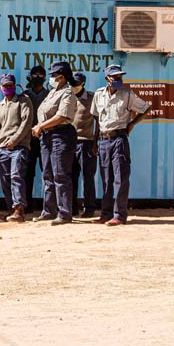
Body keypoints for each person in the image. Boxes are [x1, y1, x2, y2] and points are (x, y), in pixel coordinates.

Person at [90, 65, 150, 226]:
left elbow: (145, 108)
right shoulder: (98, 95)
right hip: (103, 140)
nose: (118, 80)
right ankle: (106, 214)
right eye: (114, 77)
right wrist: (95, 142)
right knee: (106, 180)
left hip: (119, 140)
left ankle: (119, 215)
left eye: (120, 77)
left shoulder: (127, 94)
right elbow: (97, 119)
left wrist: (132, 124)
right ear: (107, 79)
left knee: (121, 179)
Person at [31, 61, 77, 225]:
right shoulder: (52, 93)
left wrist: (40, 126)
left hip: (61, 134)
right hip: (47, 136)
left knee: (61, 175)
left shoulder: (67, 94)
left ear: (62, 76)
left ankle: (64, 213)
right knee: (48, 174)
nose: (51, 78)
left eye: (54, 75)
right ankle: (48, 210)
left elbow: (61, 116)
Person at [0, 73, 33, 222]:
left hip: (19, 147)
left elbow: (26, 123)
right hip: (2, 148)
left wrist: (14, 140)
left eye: (10, 85)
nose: (7, 88)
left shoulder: (24, 101)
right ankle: (11, 210)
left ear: (15, 86)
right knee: (5, 180)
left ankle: (19, 210)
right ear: (1, 87)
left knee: (16, 176)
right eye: (5, 86)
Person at [69, 72, 98, 218]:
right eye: (72, 83)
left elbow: (98, 120)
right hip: (68, 143)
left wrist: (96, 141)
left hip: (86, 142)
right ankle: (72, 207)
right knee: (70, 177)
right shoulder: (66, 97)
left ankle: (89, 208)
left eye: (76, 83)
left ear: (83, 84)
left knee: (88, 177)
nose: (73, 86)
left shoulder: (92, 98)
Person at [22, 65, 49, 205]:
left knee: (47, 172)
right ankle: (26, 204)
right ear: (30, 77)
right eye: (35, 75)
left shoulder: (50, 94)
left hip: (45, 138)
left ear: (45, 77)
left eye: (41, 75)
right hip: (29, 140)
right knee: (27, 173)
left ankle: (49, 206)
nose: (38, 78)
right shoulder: (25, 95)